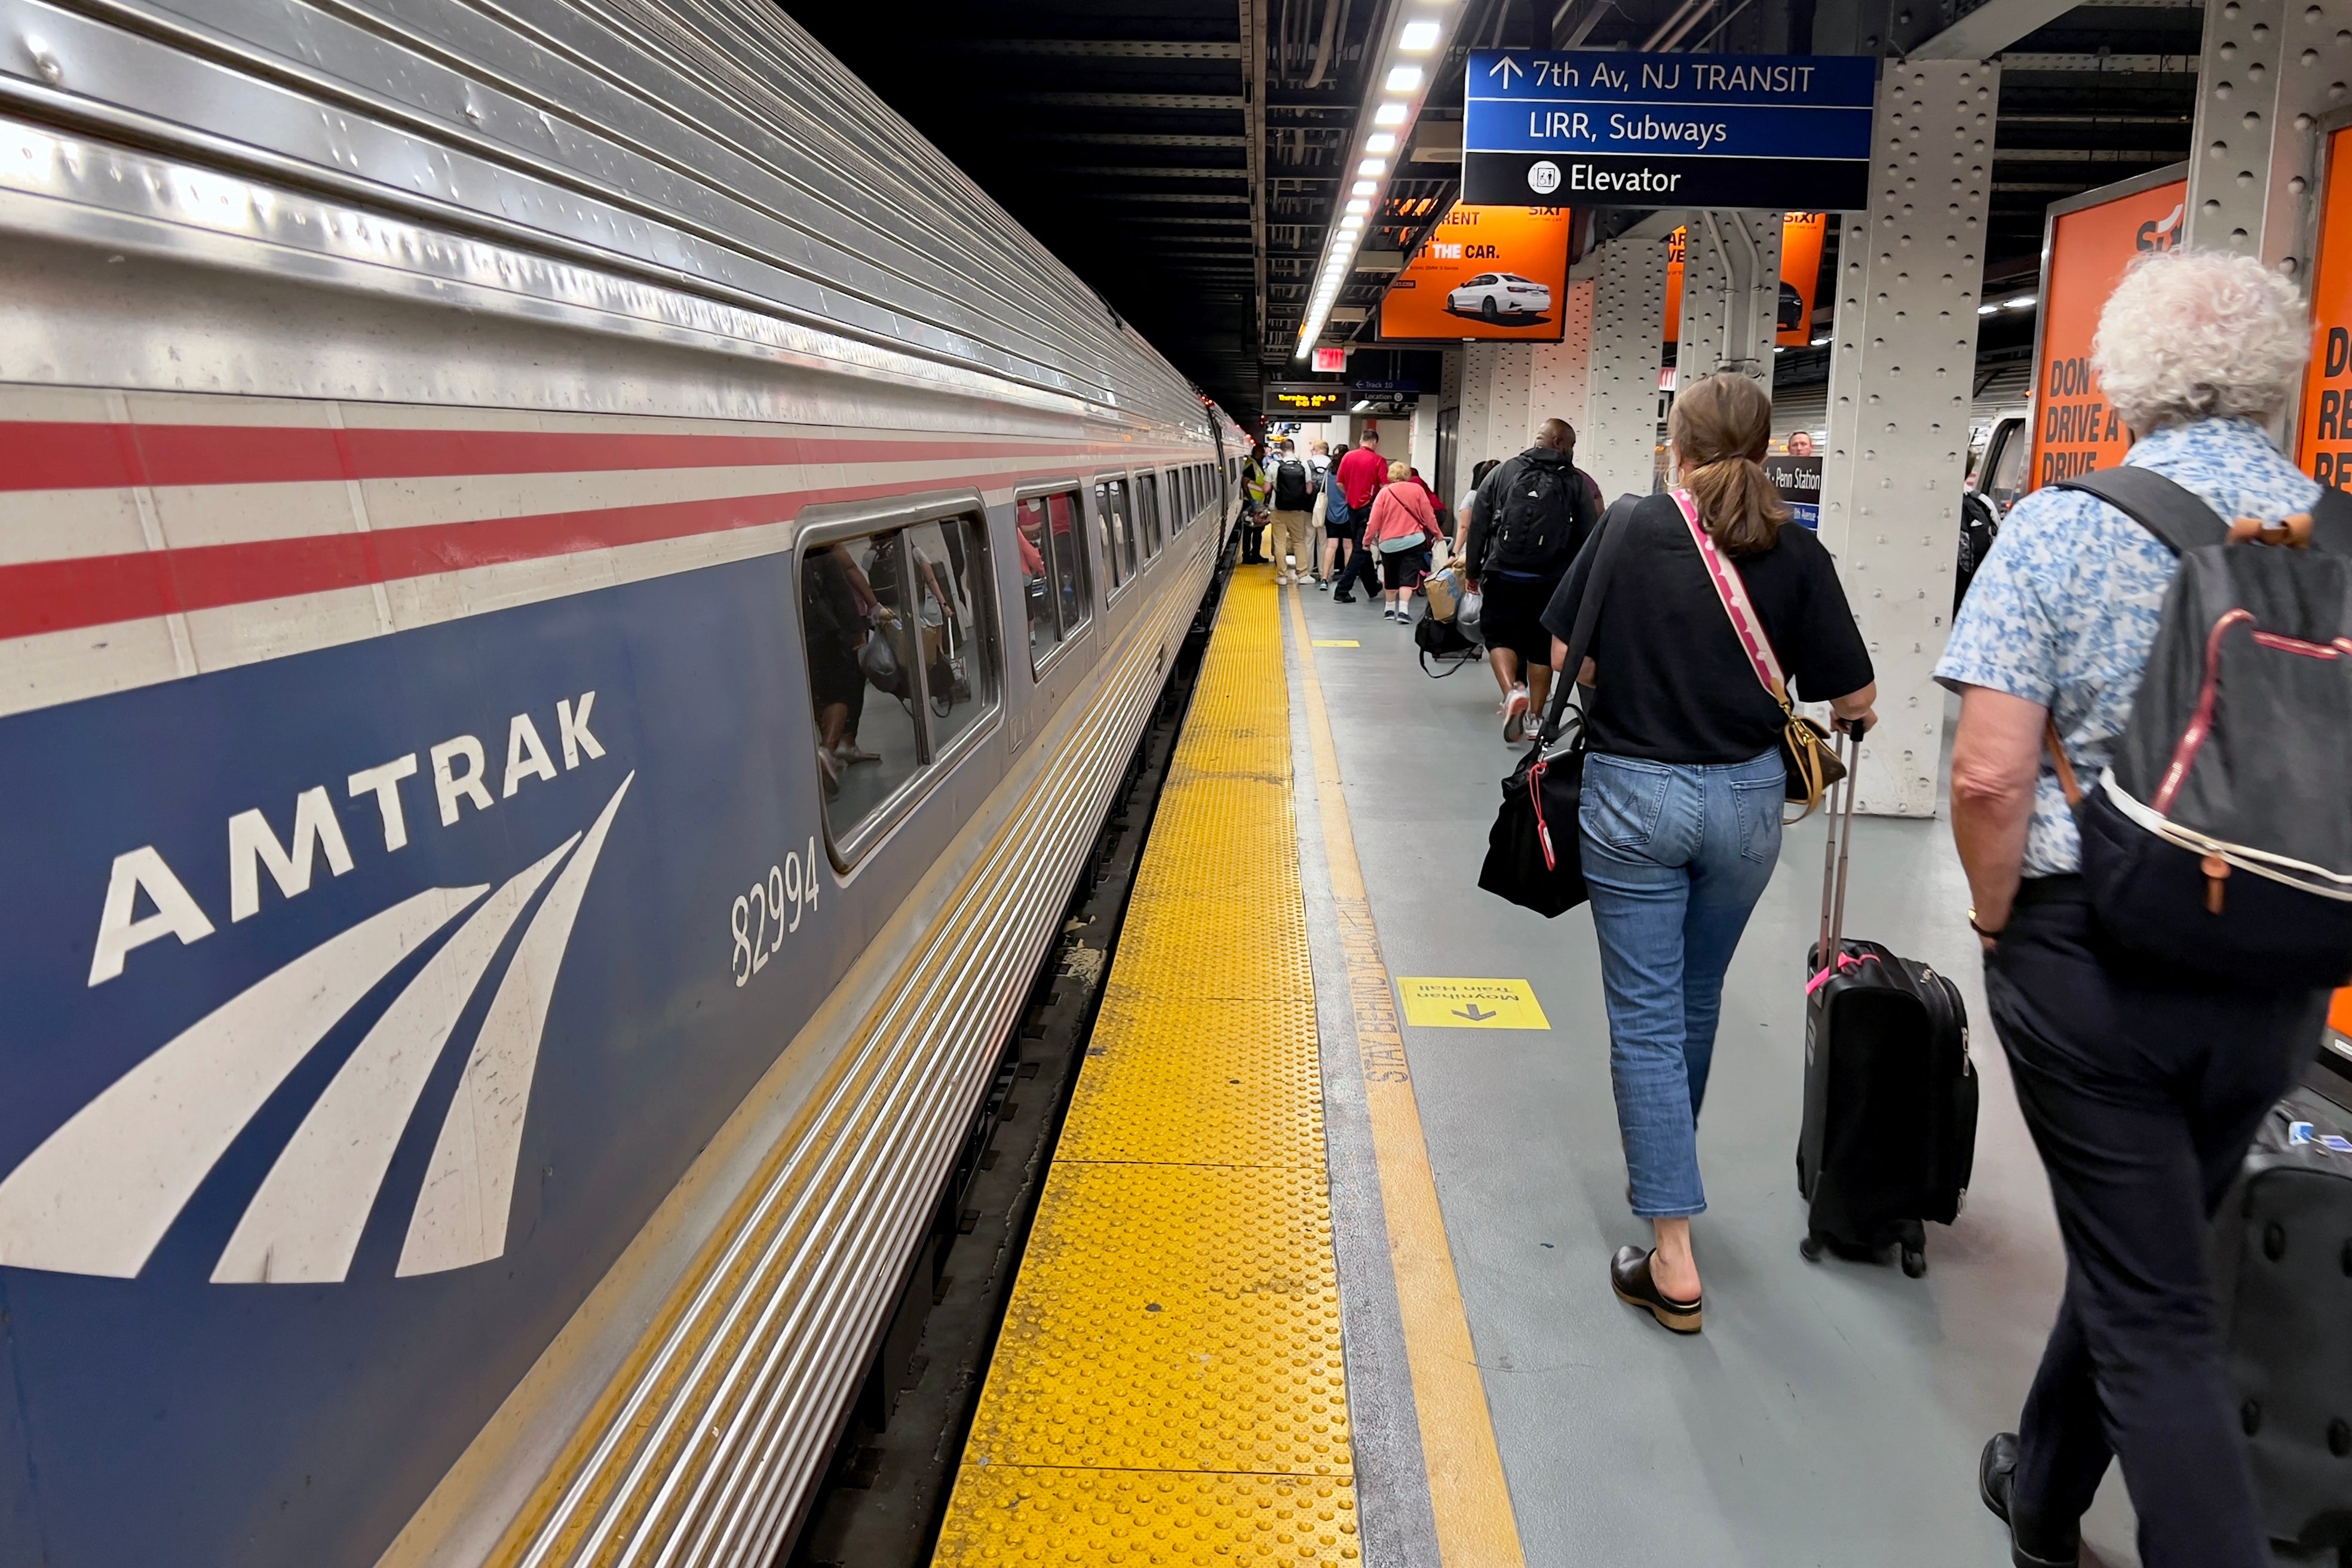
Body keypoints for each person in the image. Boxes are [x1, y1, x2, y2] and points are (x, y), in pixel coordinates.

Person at [1936, 250, 2327, 1568]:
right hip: (2276, 965)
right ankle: (2043, 1494)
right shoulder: (2337, 536)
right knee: (2143, 1246)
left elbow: (1990, 774)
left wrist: (1997, 924)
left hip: (2092, 955)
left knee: (2155, 1306)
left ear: (2122, 378)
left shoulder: (2064, 525)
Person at [1540, 372, 1876, 1336]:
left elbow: (1567, 657)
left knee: (1645, 1016)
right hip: (1745, 805)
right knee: (1693, 997)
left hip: (1634, 797)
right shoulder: (1795, 548)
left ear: (1676, 447)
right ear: (1764, 449)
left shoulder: (1628, 527)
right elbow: (1852, 698)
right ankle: (1669, 1177)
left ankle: (1672, 1250)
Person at [1466, 419, 1604, 742]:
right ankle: (1535, 719)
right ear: (1559, 442)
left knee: (1499, 638)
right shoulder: (1576, 481)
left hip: (1503, 573)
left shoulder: (1503, 471)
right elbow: (1588, 537)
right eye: (1571, 445)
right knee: (1542, 648)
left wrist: (1473, 570)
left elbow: (1479, 523)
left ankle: (1512, 692)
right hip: (1551, 580)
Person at [1361, 458, 1444, 622]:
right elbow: (1429, 515)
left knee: (1391, 575)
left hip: (1389, 543)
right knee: (1409, 575)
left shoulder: (1384, 493)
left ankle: (1389, 610)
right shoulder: (1417, 490)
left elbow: (1373, 521)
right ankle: (1404, 612)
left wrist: (1366, 541)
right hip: (1414, 541)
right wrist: (1437, 533)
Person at [1333, 433, 1390, 603]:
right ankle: (1342, 590)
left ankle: (1372, 586)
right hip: (1369, 508)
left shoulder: (1348, 457)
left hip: (1351, 508)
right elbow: (1385, 486)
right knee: (1361, 548)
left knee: (1362, 547)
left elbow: (1339, 483)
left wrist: (1351, 494)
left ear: (1361, 440)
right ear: (1375, 442)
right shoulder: (1379, 461)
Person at [1267, 438, 1316, 585]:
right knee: (1299, 541)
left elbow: (1266, 489)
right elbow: (1309, 490)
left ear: (1281, 451)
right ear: (1294, 450)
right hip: (1297, 510)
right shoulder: (1304, 466)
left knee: (1280, 543)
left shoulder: (1274, 465)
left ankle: (1282, 576)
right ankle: (1303, 574)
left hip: (1278, 510)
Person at [1318, 443, 1356, 589]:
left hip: (1331, 513)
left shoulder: (1328, 472)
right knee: (1348, 547)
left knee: (1331, 546)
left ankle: (1324, 578)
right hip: (1347, 513)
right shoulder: (1349, 472)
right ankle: (1346, 580)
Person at [1455, 456, 1501, 557]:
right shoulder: (1506, 497)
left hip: (1473, 550)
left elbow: (1464, 527)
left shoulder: (1473, 495)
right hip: (1497, 551)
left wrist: (1454, 554)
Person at [1239, 444, 1270, 563]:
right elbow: (1245, 483)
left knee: (1258, 529)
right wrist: (1251, 500)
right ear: (1257, 452)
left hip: (1259, 503)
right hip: (1251, 503)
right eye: (1262, 452)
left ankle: (1256, 554)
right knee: (1248, 530)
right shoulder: (1251, 465)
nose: (1263, 455)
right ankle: (1247, 556)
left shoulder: (1257, 464)